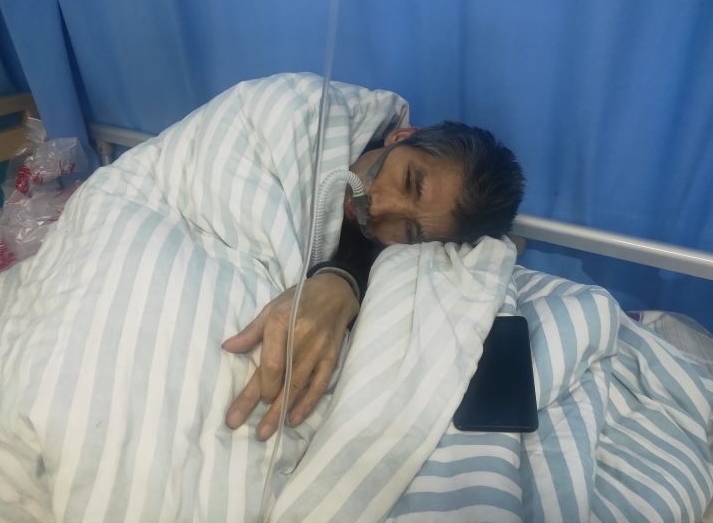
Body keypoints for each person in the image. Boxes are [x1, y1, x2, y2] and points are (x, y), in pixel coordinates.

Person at [222, 121, 525, 440]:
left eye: (409, 231)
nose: (378, 208)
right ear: (401, 137)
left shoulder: (384, 257)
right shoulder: (305, 127)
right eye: (409, 182)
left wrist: (341, 283)